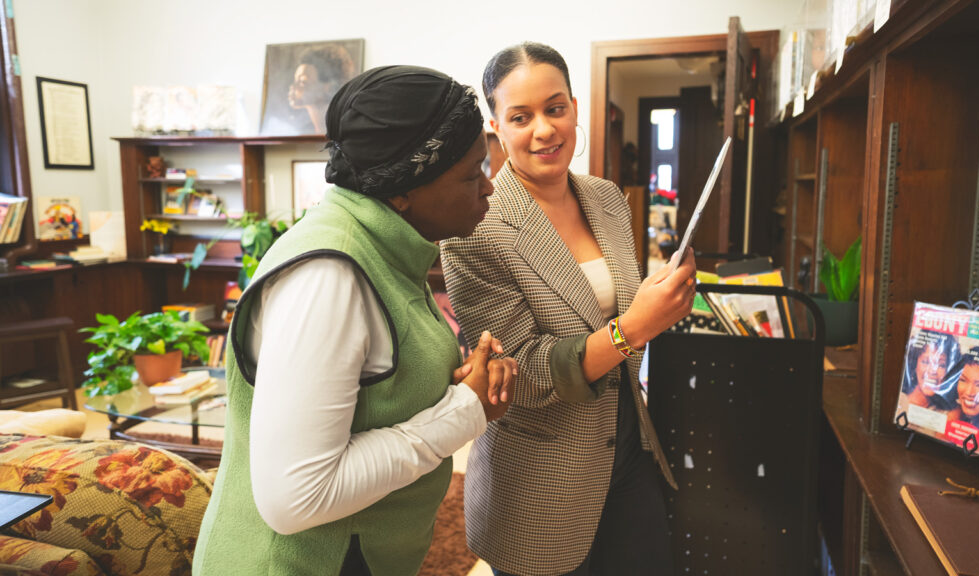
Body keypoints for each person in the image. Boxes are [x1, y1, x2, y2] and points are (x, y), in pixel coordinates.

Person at [194, 65, 517, 576]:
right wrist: (464, 409)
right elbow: (296, 497)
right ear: (405, 188)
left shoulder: (384, 245)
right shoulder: (328, 276)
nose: (488, 188)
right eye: (471, 173)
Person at [441, 42, 698, 576]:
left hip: (626, 445)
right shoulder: (474, 229)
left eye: (555, 108)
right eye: (521, 116)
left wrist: (653, 297)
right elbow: (524, 376)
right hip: (542, 478)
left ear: (576, 108)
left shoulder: (606, 199)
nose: (544, 129)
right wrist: (635, 326)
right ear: (496, 128)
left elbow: (609, 306)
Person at [287, 45, 356, 133]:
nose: (293, 86)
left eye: (303, 81)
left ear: (327, 87)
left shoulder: (345, 131)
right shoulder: (302, 130)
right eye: (295, 79)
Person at [901, 329, 960, 411]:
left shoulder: (951, 412)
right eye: (925, 362)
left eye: (941, 365)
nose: (932, 371)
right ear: (914, 365)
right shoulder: (899, 402)